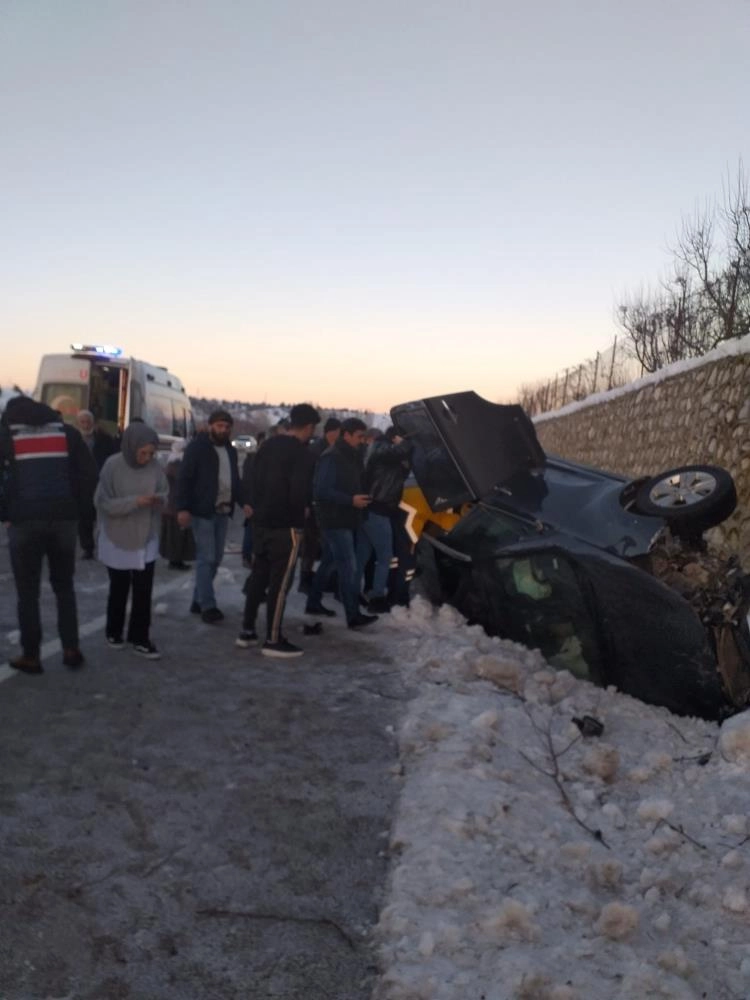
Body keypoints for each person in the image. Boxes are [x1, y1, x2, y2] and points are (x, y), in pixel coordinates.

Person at [0, 395, 98, 673]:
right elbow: (89, 474)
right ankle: (71, 649)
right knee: (64, 587)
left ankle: (31, 656)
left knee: (27, 592)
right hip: (63, 521)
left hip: (25, 521)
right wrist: (75, 508)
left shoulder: (8, 435)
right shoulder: (66, 433)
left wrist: (6, 512)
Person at [237, 403, 320, 658]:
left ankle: (247, 630)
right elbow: (298, 490)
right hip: (286, 527)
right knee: (280, 583)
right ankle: (273, 638)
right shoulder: (303, 455)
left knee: (258, 578)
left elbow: (252, 479)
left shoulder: (268, 446)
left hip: (261, 522)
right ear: (308, 427)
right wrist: (303, 512)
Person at [95, 422, 168, 659]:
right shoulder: (112, 465)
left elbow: (165, 492)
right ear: (131, 446)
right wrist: (135, 502)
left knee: (143, 590)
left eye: (151, 453)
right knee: (119, 586)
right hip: (117, 534)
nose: (147, 458)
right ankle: (113, 631)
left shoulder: (155, 468)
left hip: (146, 534)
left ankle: (140, 637)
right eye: (143, 453)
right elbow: (103, 502)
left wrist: (159, 501)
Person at [306, 417, 378, 629]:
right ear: (346, 435)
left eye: (364, 437)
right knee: (349, 566)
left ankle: (313, 603)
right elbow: (321, 490)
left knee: (329, 562)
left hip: (346, 517)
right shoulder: (332, 457)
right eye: (359, 436)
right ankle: (353, 616)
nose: (363, 440)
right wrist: (350, 500)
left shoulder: (351, 455)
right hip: (334, 519)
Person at [176, 409, 241, 623]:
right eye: (220, 426)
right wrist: (182, 508)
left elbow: (234, 480)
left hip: (222, 510)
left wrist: (244, 502)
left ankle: (198, 599)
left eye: (227, 427)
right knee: (207, 558)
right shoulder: (198, 448)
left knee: (216, 559)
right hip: (202, 510)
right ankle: (208, 605)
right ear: (211, 425)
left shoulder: (230, 451)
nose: (223, 430)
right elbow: (184, 478)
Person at [356, 425, 413, 613]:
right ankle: (377, 598)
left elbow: (400, 472)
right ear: (394, 438)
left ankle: (351, 591)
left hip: (371, 511)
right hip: (377, 511)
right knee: (384, 557)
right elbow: (401, 451)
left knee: (363, 556)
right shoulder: (380, 448)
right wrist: (406, 443)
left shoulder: (385, 453)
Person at [297, 417, 340, 593]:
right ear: (331, 432)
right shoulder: (317, 450)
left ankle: (322, 578)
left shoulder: (332, 450)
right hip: (313, 505)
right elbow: (308, 478)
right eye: (339, 432)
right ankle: (305, 579)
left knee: (323, 544)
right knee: (310, 544)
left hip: (325, 506)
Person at [75, 409, 117, 558]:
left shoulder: (104, 439)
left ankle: (106, 545)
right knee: (84, 517)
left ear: (93, 422)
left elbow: (112, 458)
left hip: (101, 481)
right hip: (82, 483)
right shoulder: (74, 440)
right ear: (78, 423)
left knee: (103, 515)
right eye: (82, 422)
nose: (86, 425)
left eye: (88, 422)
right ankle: (88, 548)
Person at [159, 438, 195, 569]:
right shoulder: (179, 465)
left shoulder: (172, 463)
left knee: (173, 536)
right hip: (175, 506)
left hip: (170, 505)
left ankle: (175, 560)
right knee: (177, 536)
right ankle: (175, 561)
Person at [240, 430, 266, 569]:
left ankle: (248, 555)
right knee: (251, 529)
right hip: (254, 498)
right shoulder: (254, 458)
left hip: (255, 498)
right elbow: (248, 480)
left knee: (252, 528)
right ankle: (247, 555)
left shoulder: (252, 457)